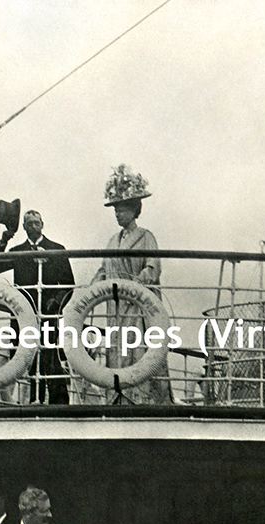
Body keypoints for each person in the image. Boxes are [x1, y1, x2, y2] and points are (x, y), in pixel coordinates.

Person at [91, 164, 171, 405]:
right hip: (115, 308)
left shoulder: (146, 237)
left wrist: (138, 282)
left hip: (137, 307)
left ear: (134, 211)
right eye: (115, 210)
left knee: (139, 348)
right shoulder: (111, 241)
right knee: (116, 348)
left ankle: (142, 397)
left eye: (123, 210)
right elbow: (104, 269)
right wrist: (90, 291)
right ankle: (117, 396)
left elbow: (153, 266)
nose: (118, 215)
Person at [0, 203, 76, 404]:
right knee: (28, 359)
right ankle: (33, 403)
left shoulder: (57, 249)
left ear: (42, 224)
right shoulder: (18, 252)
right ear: (25, 227)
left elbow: (69, 284)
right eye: (29, 224)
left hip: (49, 313)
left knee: (51, 357)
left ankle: (59, 404)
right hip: (24, 314)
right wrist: (4, 240)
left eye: (37, 222)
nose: (34, 226)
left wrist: (57, 303)